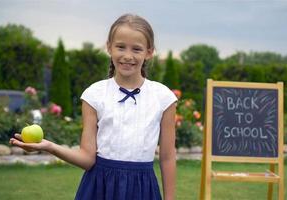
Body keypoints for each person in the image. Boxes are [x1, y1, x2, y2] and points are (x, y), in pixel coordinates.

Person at [10, 13, 177, 200]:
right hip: (99, 188)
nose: (127, 56)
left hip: (142, 189)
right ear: (109, 48)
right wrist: (49, 146)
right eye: (120, 47)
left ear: (149, 52)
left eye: (136, 49)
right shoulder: (94, 94)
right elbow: (88, 159)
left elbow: (167, 157)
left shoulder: (163, 98)